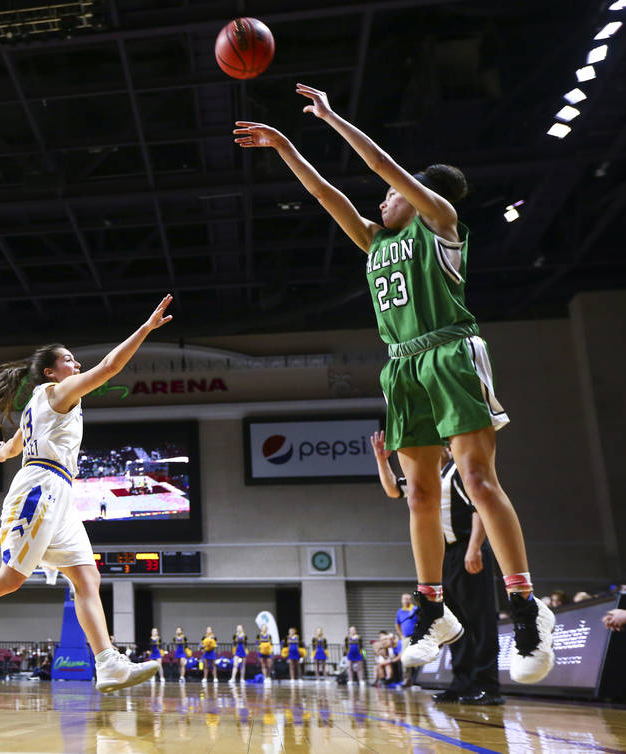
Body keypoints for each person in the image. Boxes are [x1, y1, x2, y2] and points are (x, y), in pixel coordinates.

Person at [234, 86, 554, 684]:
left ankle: (527, 606)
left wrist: (330, 120)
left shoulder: (439, 222)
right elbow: (325, 195)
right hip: (402, 366)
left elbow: (383, 166)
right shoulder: (375, 241)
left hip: (450, 352)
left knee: (479, 481)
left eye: (391, 194)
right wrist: (283, 147)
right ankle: (434, 609)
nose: (382, 199)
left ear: (419, 196)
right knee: (419, 495)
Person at [0, 296, 173, 693]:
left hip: (60, 493)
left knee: (87, 577)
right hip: (41, 490)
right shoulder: (56, 393)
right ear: (50, 371)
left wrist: (4, 452)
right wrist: (145, 329)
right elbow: (111, 367)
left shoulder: (37, 403)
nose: (76, 364)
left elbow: (13, 446)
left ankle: (108, 663)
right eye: (69, 360)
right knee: (9, 580)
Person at [374, 433, 502, 704]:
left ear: (443, 447)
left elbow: (479, 509)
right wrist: (381, 460)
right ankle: (462, 683)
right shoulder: (428, 476)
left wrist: (475, 547)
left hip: (468, 550)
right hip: (443, 558)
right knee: (453, 624)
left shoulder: (459, 469)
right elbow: (393, 490)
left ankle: (488, 686)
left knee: (479, 620)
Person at [394, 592, 419, 686]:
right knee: (405, 658)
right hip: (406, 638)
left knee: (417, 658)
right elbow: (397, 624)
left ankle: (417, 680)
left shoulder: (415, 609)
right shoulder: (400, 611)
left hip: (416, 637)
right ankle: (407, 680)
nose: (406, 600)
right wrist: (401, 635)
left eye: (408, 598)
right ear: (401, 600)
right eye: (404, 599)